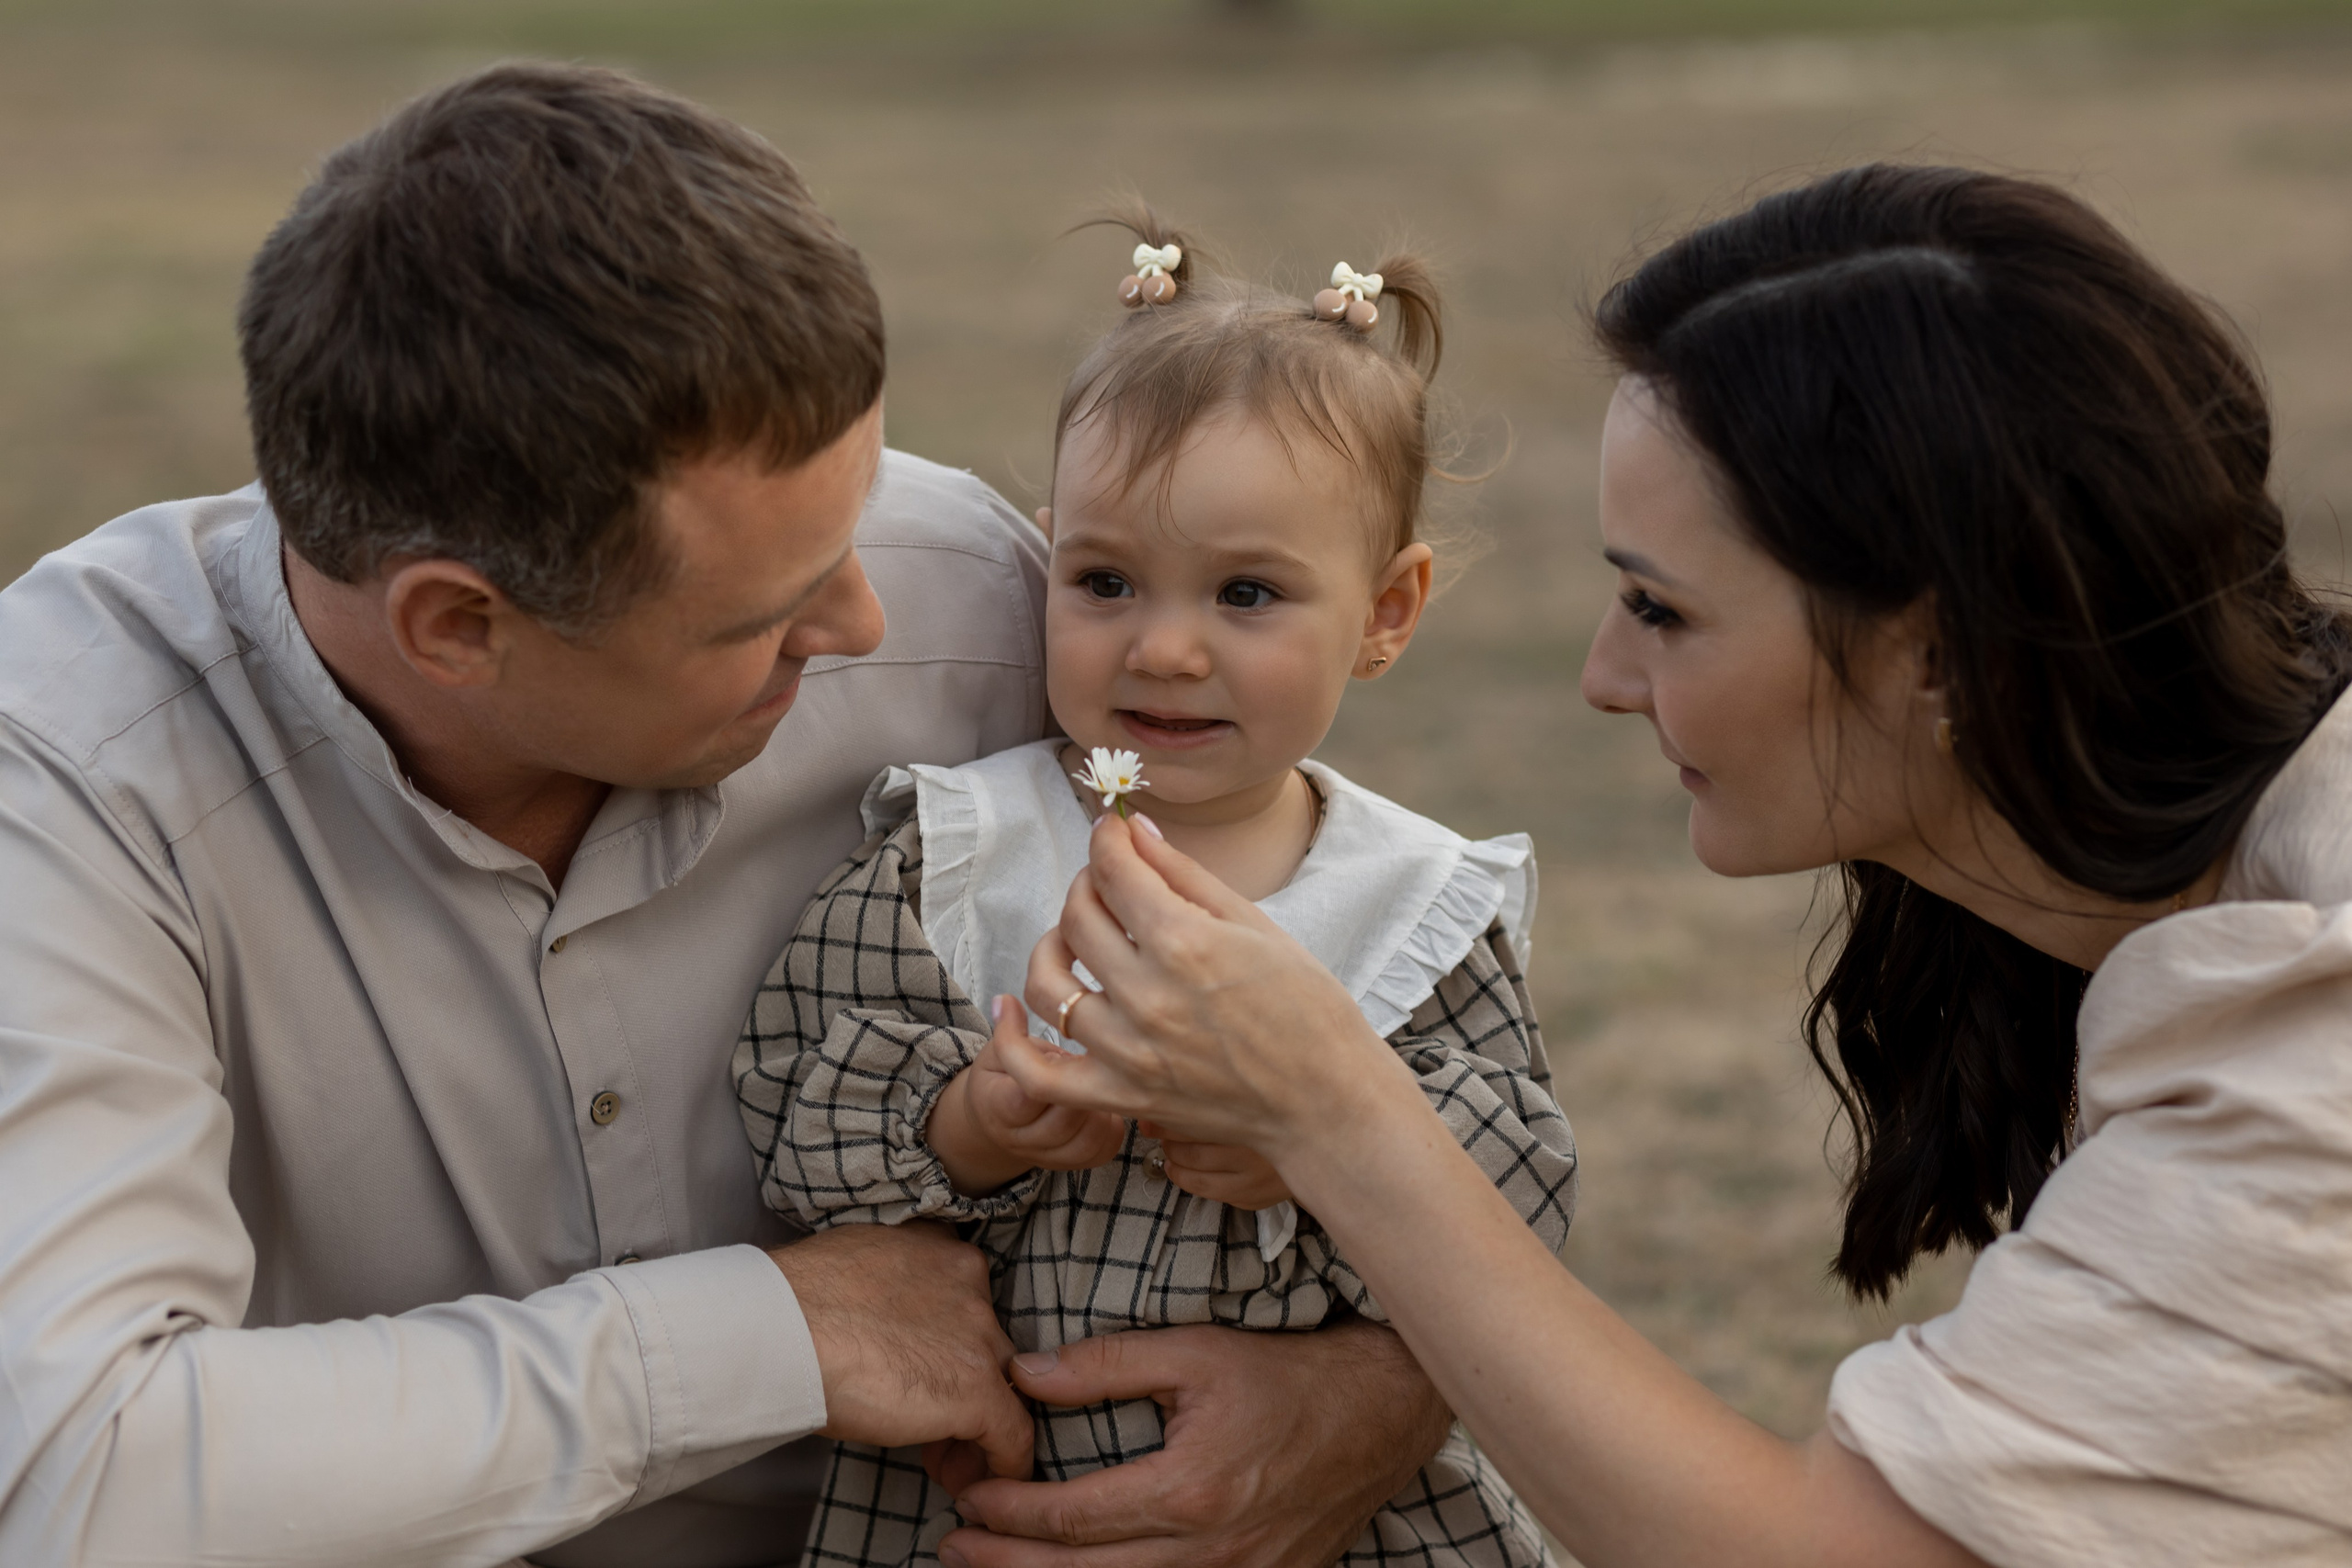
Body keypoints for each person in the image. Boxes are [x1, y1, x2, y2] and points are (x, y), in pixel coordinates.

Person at [0, 63, 1459, 1568]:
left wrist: (1382, 1391)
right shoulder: (69, 781)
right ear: (455, 628)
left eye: (854, 516)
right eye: (767, 613)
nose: (871, 611)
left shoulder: (988, 607)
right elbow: (75, 1482)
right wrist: (769, 1336)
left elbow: (1368, 1037)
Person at [967, 162, 2352, 1568]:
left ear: (1940, 655)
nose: (1603, 677)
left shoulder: (2311, 1066)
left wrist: (1334, 1107)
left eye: (1661, 610)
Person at [734, 210, 1577, 1568]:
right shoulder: (957, 852)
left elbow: (1513, 1220)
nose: (1165, 648)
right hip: (982, 1501)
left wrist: (1327, 1151)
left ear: (1387, 612)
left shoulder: (1412, 904)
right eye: (1107, 580)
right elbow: (792, 1110)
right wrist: (972, 1124)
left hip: (1326, 1523)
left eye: (1247, 594)